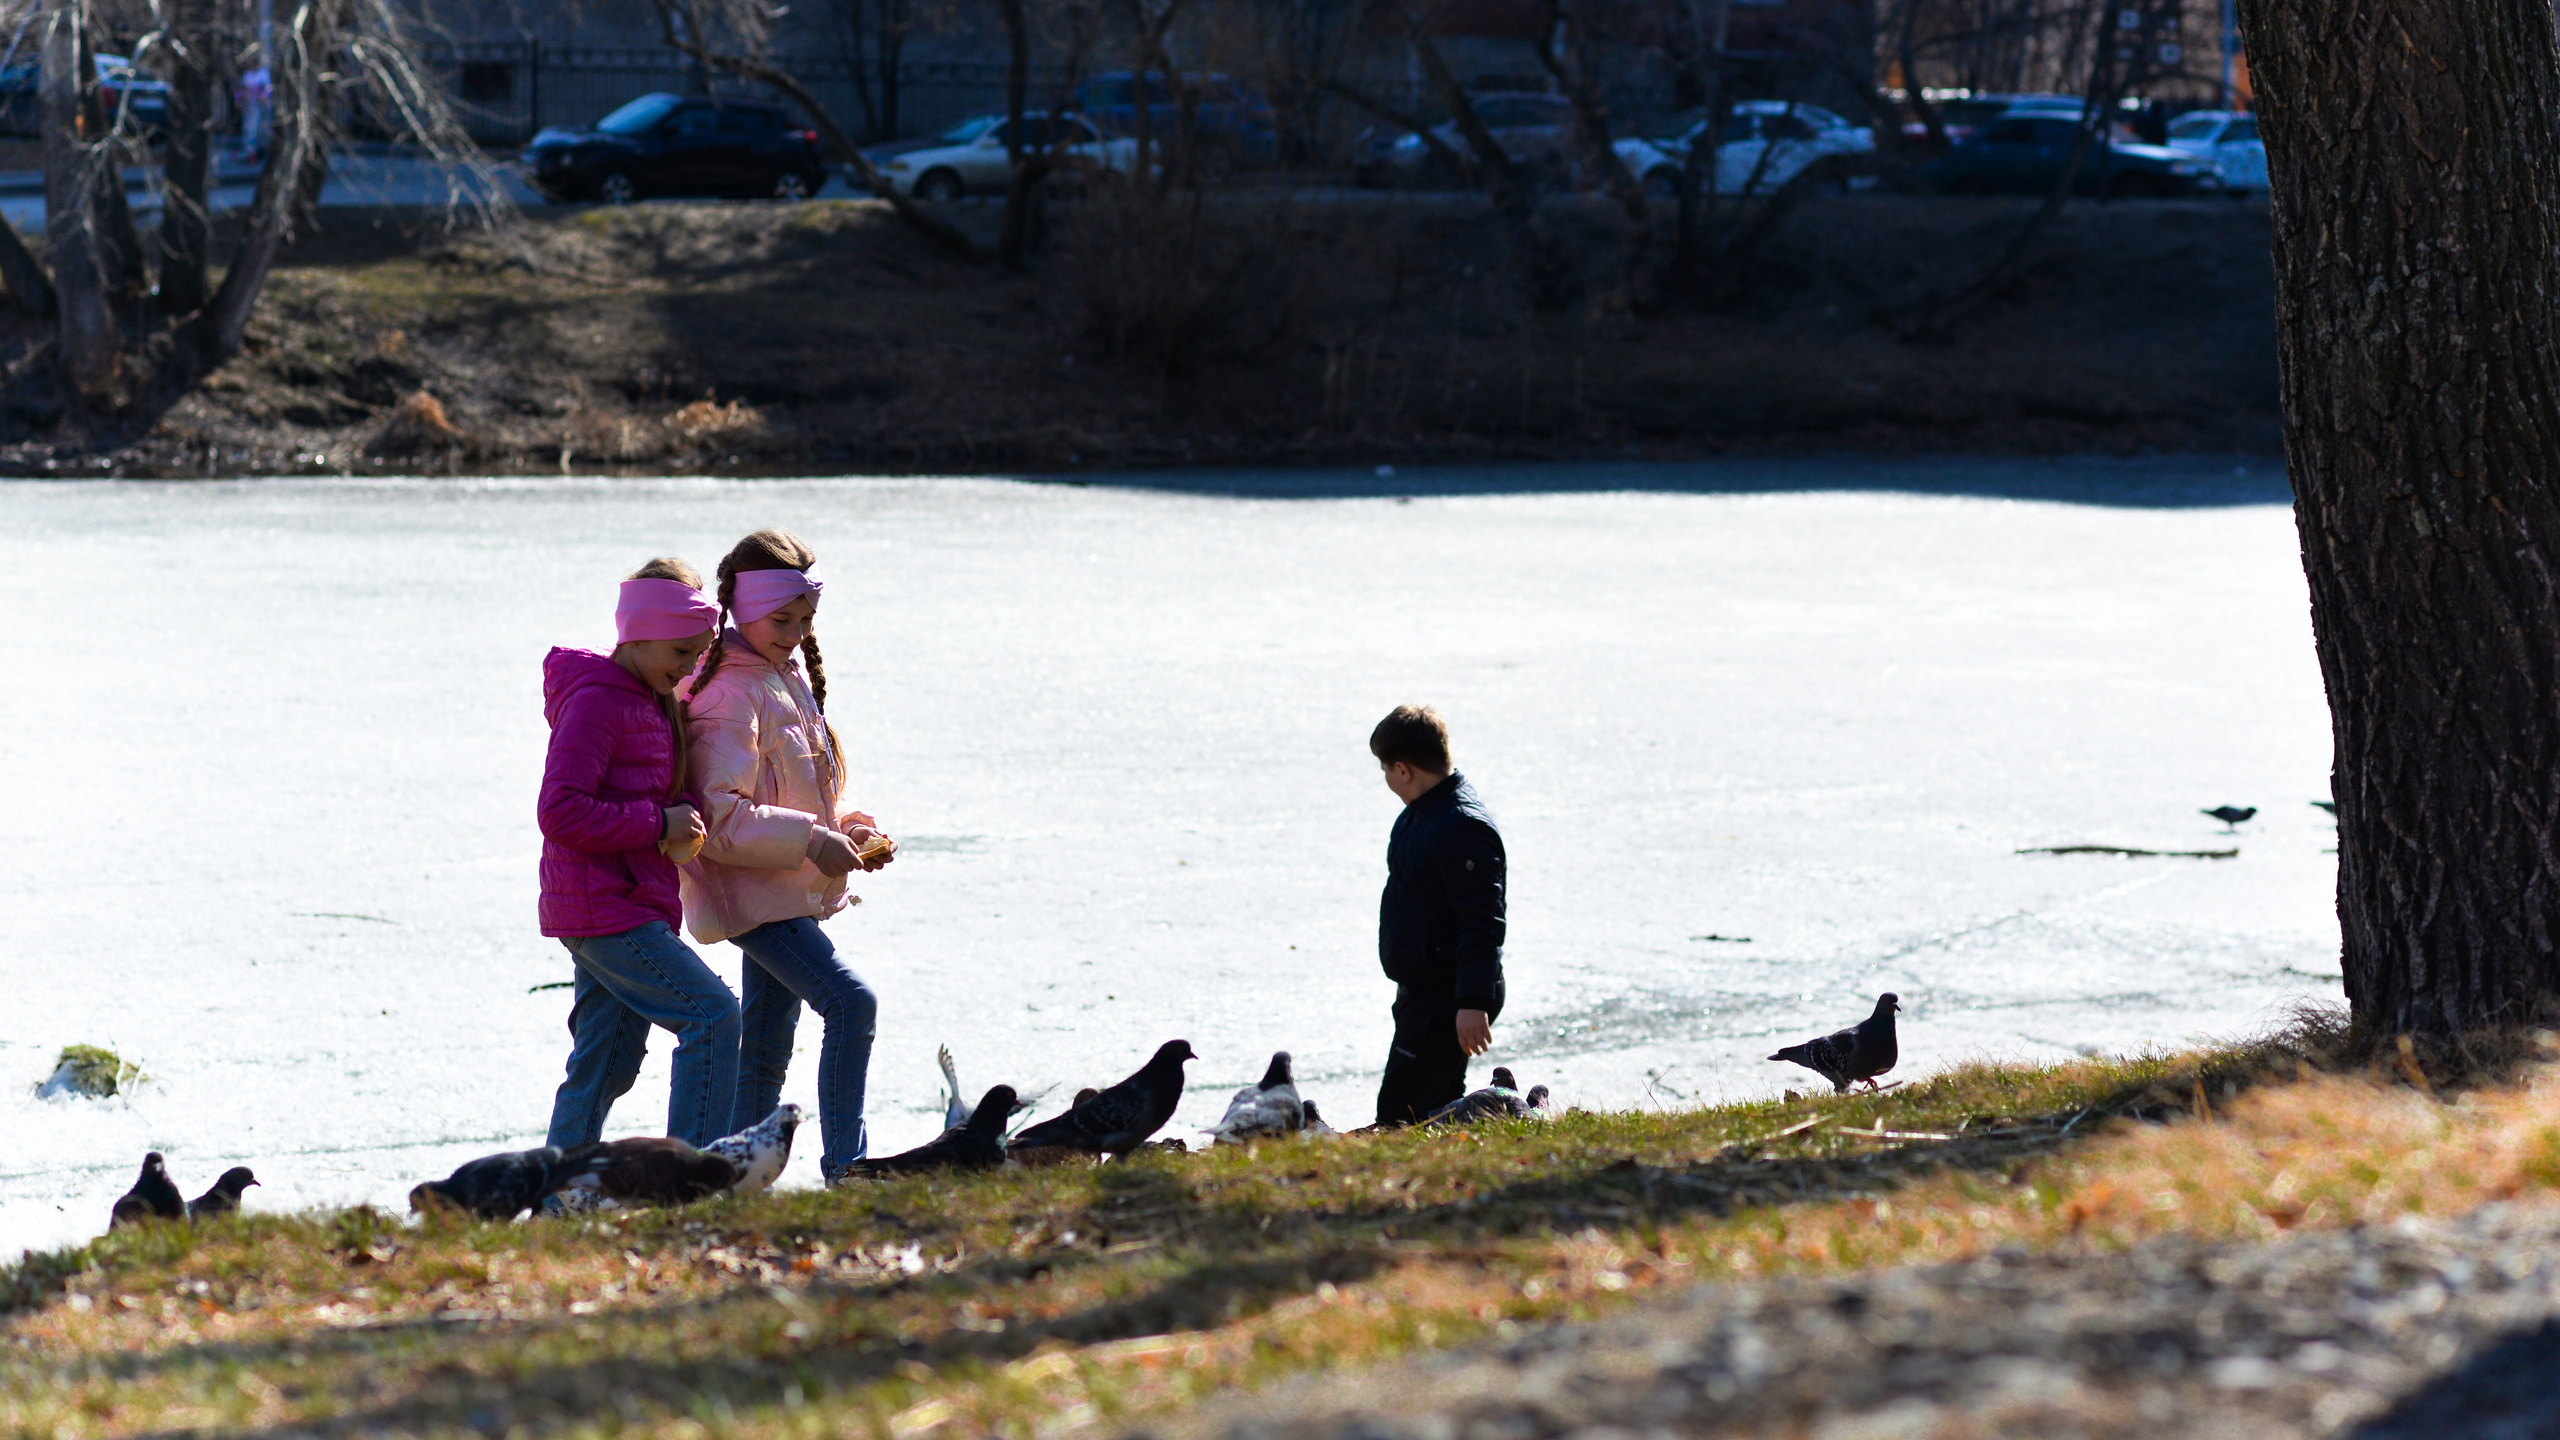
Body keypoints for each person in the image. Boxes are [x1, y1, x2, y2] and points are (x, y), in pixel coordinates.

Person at [680, 529, 895, 1184]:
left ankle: (730, 1180)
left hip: (784, 887)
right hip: (755, 894)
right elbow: (720, 817)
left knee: (766, 1048)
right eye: (783, 618)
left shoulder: (782, 676)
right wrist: (809, 840)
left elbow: (793, 787)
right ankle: (847, 1168)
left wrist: (846, 828)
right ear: (741, 607)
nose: (797, 631)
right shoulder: (727, 694)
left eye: (806, 619)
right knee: (852, 1004)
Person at [540, 559, 741, 1149]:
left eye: (697, 657)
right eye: (680, 653)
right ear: (639, 635)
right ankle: (693, 1187)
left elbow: (652, 786)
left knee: (606, 1065)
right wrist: (657, 823)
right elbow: (560, 811)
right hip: (604, 908)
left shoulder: (651, 700)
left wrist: (678, 818)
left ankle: (557, 1204)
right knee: (711, 1016)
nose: (687, 669)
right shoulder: (598, 702)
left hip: (633, 901)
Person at [1370, 704, 1507, 1125]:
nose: (1386, 779)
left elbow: (1482, 919)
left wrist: (1471, 1002)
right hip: (1423, 989)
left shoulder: (1460, 826)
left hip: (1449, 995)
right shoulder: (1418, 816)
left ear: (1403, 769)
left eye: (1385, 770)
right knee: (1438, 1107)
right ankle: (1451, 1171)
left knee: (1399, 1115)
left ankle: (1414, 1187)